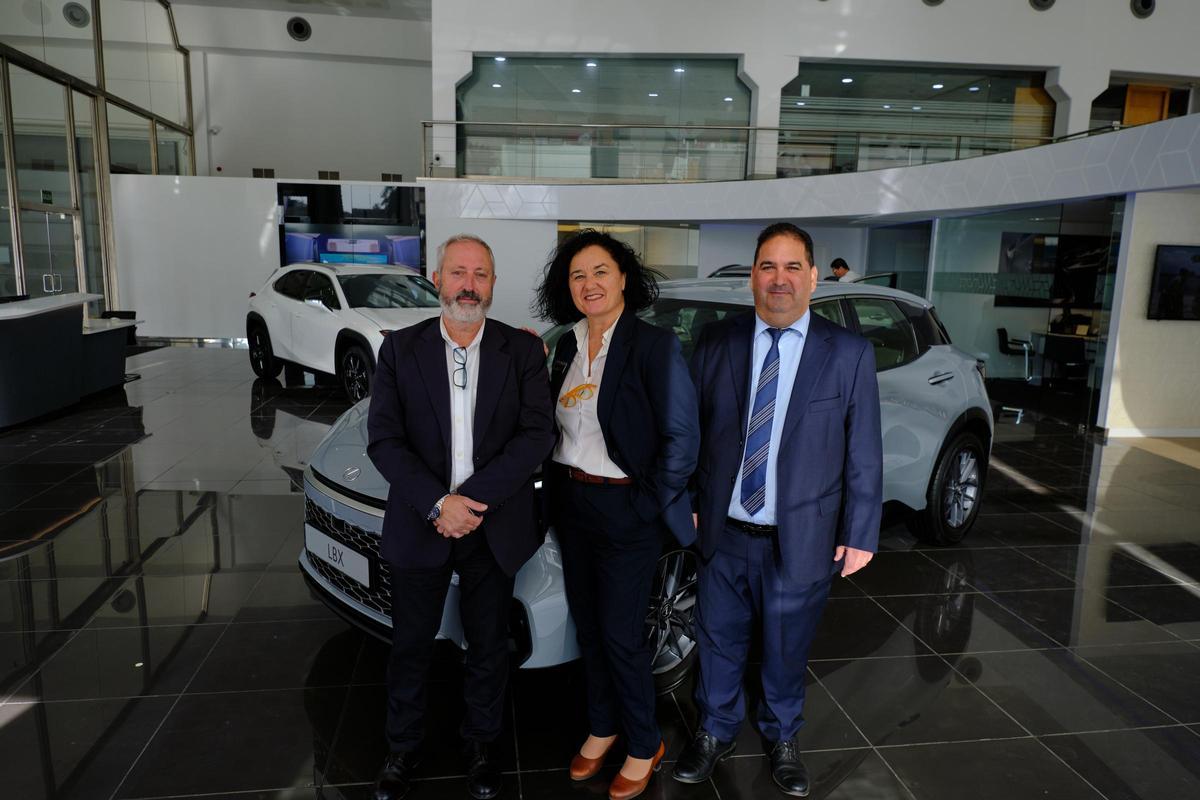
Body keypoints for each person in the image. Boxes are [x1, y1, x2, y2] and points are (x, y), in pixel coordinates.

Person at [674, 223, 882, 797]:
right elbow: (693, 435)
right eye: (768, 266)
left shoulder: (847, 353)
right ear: (752, 277)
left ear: (813, 277)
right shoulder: (717, 342)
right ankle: (714, 732)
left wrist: (859, 531)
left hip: (803, 538)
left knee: (787, 646)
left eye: (793, 268)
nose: (780, 279)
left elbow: (863, 449)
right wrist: (690, 504)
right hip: (724, 532)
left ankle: (783, 735)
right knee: (717, 640)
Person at [366, 234, 556, 800]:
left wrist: (470, 502)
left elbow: (536, 436)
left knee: (488, 643)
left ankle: (481, 745)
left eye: (480, 274)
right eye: (458, 273)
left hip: (491, 524)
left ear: (494, 284)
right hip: (421, 520)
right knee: (411, 644)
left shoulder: (521, 352)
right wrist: (437, 502)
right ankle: (402, 748)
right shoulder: (400, 350)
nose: (469, 285)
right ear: (438, 278)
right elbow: (384, 440)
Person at [534, 230, 699, 800]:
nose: (590, 284)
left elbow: (682, 437)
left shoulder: (653, 346)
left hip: (628, 507)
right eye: (578, 275)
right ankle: (601, 727)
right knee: (588, 627)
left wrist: (646, 503)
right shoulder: (565, 346)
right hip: (573, 504)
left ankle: (642, 740)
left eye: (600, 271)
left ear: (624, 277)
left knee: (623, 634)